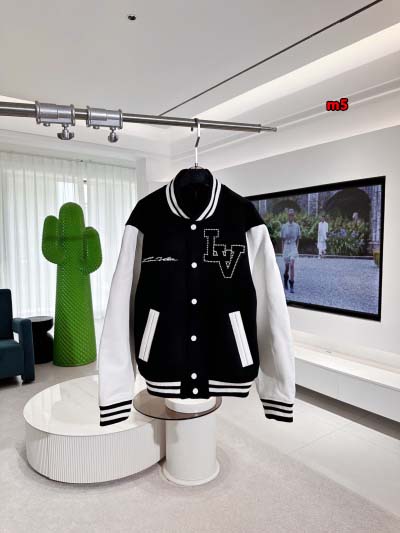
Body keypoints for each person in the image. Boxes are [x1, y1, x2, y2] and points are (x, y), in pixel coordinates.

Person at [280, 208, 301, 293]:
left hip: (293, 246)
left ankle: (291, 285)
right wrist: (282, 250)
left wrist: (296, 248)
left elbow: (298, 238)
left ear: (294, 216)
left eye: (292, 215)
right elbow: (282, 239)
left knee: (292, 265)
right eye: (289, 215)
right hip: (286, 246)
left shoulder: (297, 226)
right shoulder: (284, 226)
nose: (291, 216)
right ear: (287, 216)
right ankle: (285, 279)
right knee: (287, 267)